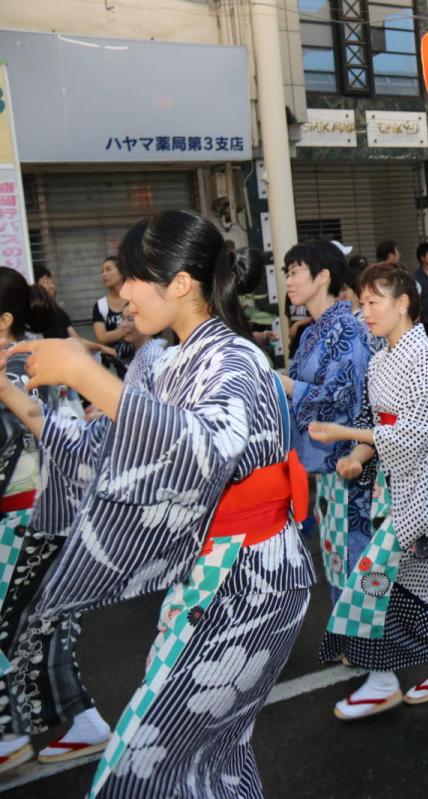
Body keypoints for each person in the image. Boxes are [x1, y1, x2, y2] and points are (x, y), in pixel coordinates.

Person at [7, 211, 314, 795]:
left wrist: (87, 375)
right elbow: (103, 451)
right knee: (206, 759)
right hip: (210, 574)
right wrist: (22, 402)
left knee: (148, 760)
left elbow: (201, 449)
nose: (119, 295)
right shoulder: (159, 360)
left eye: (131, 278)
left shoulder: (237, 358)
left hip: (253, 579)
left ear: (179, 282)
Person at [307, 263, 428, 718]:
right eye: (363, 301)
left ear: (403, 304)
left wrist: (344, 434)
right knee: (406, 591)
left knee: (371, 584)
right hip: (394, 485)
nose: (366, 310)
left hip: (424, 489)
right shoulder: (380, 359)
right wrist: (357, 455)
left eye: (374, 301)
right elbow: (381, 429)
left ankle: (381, 678)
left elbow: (417, 433)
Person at [0, 271, 112, 774]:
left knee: (15, 626)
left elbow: (14, 439)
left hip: (25, 513)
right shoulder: (36, 352)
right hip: (49, 509)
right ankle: (83, 722)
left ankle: (7, 736)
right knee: (37, 629)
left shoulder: (14, 363)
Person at [279, 241, 374, 607]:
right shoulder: (314, 331)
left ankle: (367, 642)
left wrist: (288, 387)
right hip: (328, 462)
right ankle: (351, 638)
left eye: (294, 272)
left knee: (354, 553)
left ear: (322, 277)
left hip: (349, 459)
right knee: (338, 553)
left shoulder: (346, 329)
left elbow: (344, 394)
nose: (287, 281)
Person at [91, 256, 135, 376]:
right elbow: (101, 338)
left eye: (108, 269)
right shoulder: (100, 305)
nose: (104, 274)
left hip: (137, 363)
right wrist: (129, 329)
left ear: (122, 272)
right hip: (112, 368)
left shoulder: (136, 299)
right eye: (102, 272)